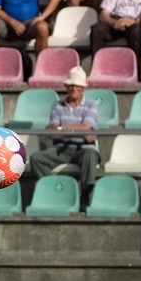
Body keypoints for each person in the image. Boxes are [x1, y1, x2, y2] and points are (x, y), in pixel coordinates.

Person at [29, 66, 99, 204]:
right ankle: (56, 190)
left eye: (78, 86)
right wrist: (79, 132)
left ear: (83, 88)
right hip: (62, 149)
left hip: (84, 148)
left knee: (90, 154)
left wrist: (61, 128)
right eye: (71, 85)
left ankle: (86, 194)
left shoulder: (92, 104)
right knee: (36, 158)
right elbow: (53, 134)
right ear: (66, 86)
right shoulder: (57, 105)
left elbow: (86, 127)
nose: (74, 89)